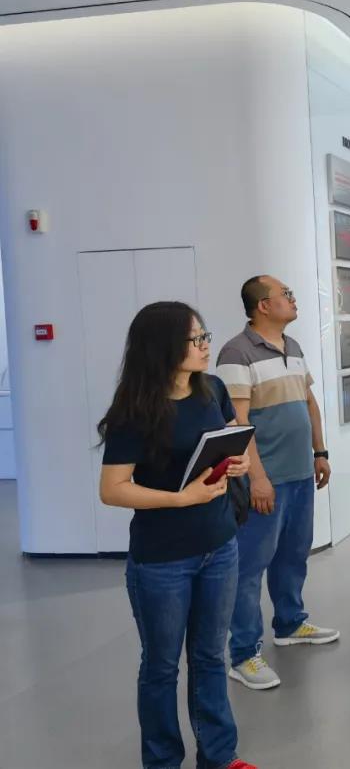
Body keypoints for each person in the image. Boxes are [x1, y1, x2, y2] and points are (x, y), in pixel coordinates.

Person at [98, 302, 258, 769]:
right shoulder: (135, 411)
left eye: (206, 336)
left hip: (219, 546)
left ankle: (219, 756)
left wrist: (240, 462)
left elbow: (233, 438)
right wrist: (180, 498)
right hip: (162, 560)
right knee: (162, 666)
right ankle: (163, 761)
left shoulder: (213, 390)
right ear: (164, 346)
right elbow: (113, 488)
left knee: (209, 657)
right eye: (196, 339)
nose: (206, 346)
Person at [217, 276, 338, 691]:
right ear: (263, 306)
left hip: (301, 472)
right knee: (249, 567)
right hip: (266, 479)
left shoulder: (294, 347)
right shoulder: (236, 352)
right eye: (285, 294)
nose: (293, 298)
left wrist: (320, 451)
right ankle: (244, 654)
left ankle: (289, 623)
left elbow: (309, 402)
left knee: (293, 554)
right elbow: (237, 422)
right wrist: (258, 478)